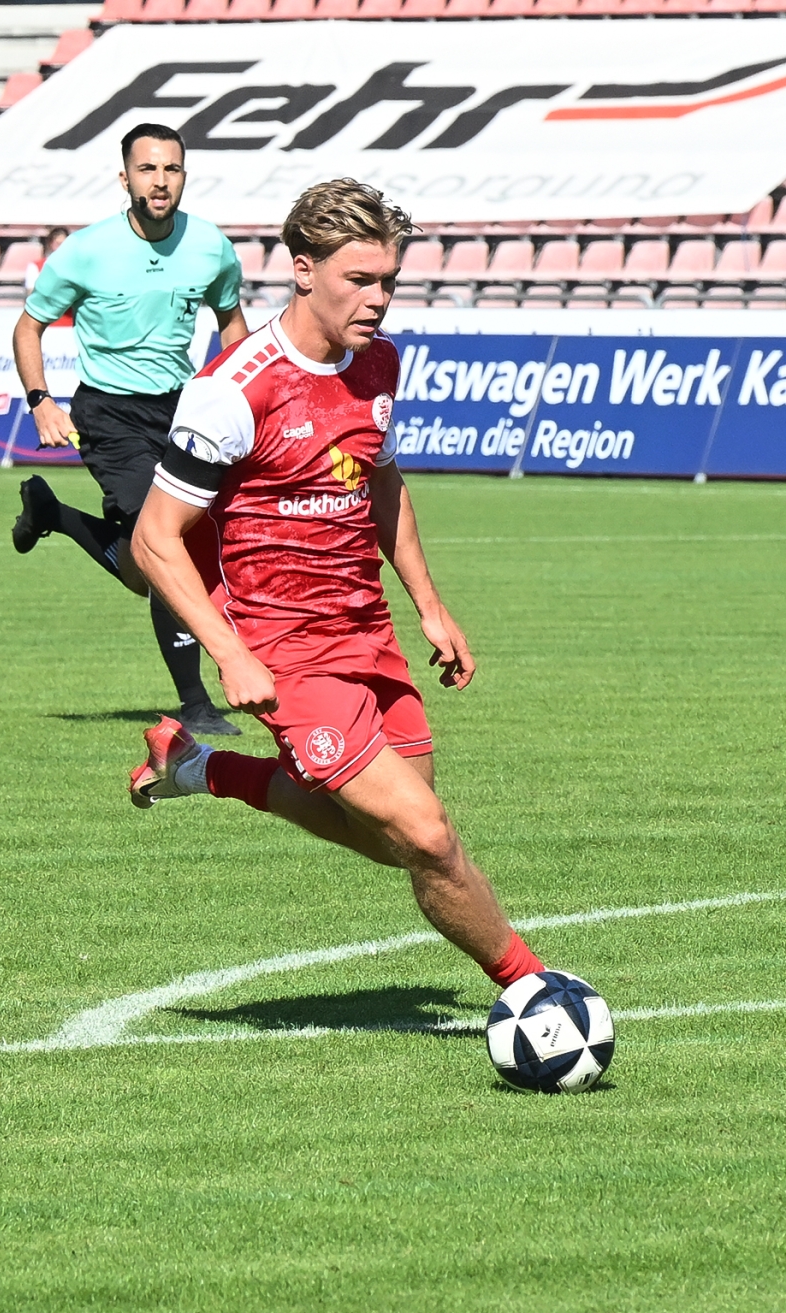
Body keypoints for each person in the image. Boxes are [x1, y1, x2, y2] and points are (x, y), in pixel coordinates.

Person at [128, 178, 551, 994]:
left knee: (392, 835)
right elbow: (154, 538)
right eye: (360, 279)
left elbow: (382, 483)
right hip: (283, 648)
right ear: (303, 269)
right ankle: (538, 990)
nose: (379, 299)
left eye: (388, 280)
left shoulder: (378, 363)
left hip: (368, 630)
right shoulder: (232, 391)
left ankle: (199, 768)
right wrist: (232, 654)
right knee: (427, 836)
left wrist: (431, 607)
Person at [10, 122, 249, 736]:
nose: (160, 181)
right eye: (147, 169)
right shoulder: (86, 250)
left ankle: (55, 514)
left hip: (181, 412)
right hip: (109, 415)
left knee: (147, 569)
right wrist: (41, 401)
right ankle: (195, 703)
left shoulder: (211, 247)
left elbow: (231, 322)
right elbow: (28, 326)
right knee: (166, 546)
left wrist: (240, 396)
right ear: (125, 179)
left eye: (171, 169)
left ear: (184, 176)